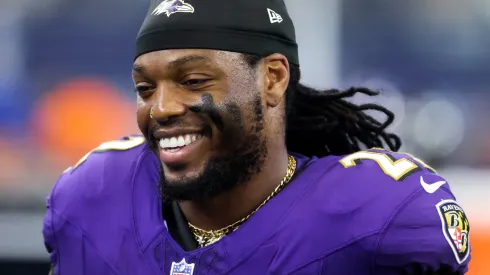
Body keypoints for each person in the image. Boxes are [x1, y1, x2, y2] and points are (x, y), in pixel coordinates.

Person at [43, 0, 471, 274]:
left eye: (192, 80)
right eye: (145, 89)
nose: (161, 108)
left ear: (272, 78)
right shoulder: (93, 197)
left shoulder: (378, 217)